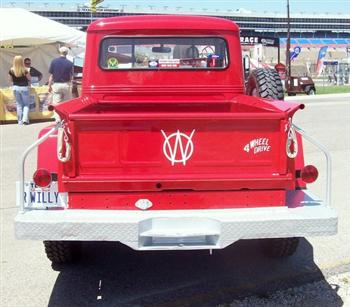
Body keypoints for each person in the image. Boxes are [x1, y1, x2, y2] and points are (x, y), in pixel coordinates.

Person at [8, 55, 31, 125]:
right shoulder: (25, 70)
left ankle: (20, 121)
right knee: (26, 105)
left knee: (19, 105)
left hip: (16, 88)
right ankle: (25, 119)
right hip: (24, 88)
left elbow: (10, 80)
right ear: (22, 61)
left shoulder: (11, 70)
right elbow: (29, 78)